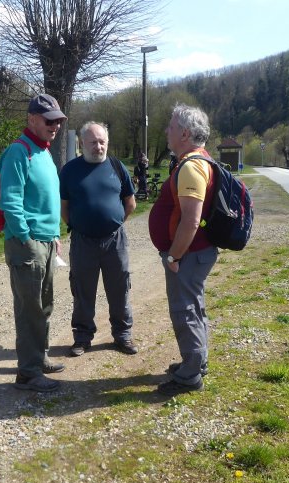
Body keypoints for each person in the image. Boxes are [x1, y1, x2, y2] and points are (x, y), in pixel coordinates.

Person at [148, 104, 218, 396]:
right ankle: (196, 361)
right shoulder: (199, 160)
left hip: (188, 253)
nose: (167, 130)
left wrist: (174, 256)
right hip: (195, 251)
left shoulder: (191, 166)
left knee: (184, 310)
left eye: (171, 126)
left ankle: (190, 374)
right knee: (193, 306)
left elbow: (190, 219)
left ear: (185, 133)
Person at [0, 93, 67, 393]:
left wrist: (53, 236)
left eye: (59, 121)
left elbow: (43, 201)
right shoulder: (19, 152)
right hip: (27, 244)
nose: (55, 126)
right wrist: (25, 237)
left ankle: (39, 359)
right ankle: (27, 373)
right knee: (29, 309)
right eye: (49, 120)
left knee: (45, 305)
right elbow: (10, 201)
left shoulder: (44, 151)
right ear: (32, 119)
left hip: (46, 242)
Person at [59, 122, 138, 357]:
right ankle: (82, 338)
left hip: (115, 241)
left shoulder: (117, 166)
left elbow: (130, 203)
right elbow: (64, 207)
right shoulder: (70, 170)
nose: (98, 146)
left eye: (102, 141)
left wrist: (113, 223)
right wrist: (78, 225)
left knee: (119, 288)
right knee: (82, 291)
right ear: (83, 143)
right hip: (83, 242)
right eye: (93, 142)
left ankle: (122, 335)